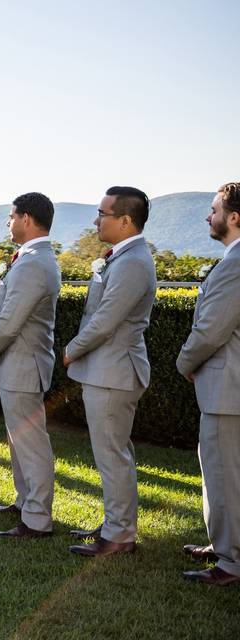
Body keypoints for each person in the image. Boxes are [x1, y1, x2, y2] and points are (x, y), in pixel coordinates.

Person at [64, 186, 156, 557]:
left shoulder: (134, 262)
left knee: (112, 455)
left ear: (125, 220)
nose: (96, 220)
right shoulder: (124, 257)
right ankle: (115, 524)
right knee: (112, 454)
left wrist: (72, 349)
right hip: (107, 371)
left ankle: (119, 535)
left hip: (113, 372)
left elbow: (105, 320)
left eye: (102, 214)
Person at [0, 192, 60, 538]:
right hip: (19, 363)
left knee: (31, 443)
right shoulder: (33, 259)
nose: (7, 223)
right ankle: (25, 501)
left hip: (23, 363)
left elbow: (11, 319)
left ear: (26, 218)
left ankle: (38, 518)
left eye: (10, 217)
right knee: (18, 439)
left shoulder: (33, 263)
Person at [176, 182, 240, 586]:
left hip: (227, 387)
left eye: (214, 209)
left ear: (234, 217)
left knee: (222, 473)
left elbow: (212, 329)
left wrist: (185, 361)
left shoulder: (235, 265)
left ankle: (230, 561)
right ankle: (224, 543)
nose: (208, 216)